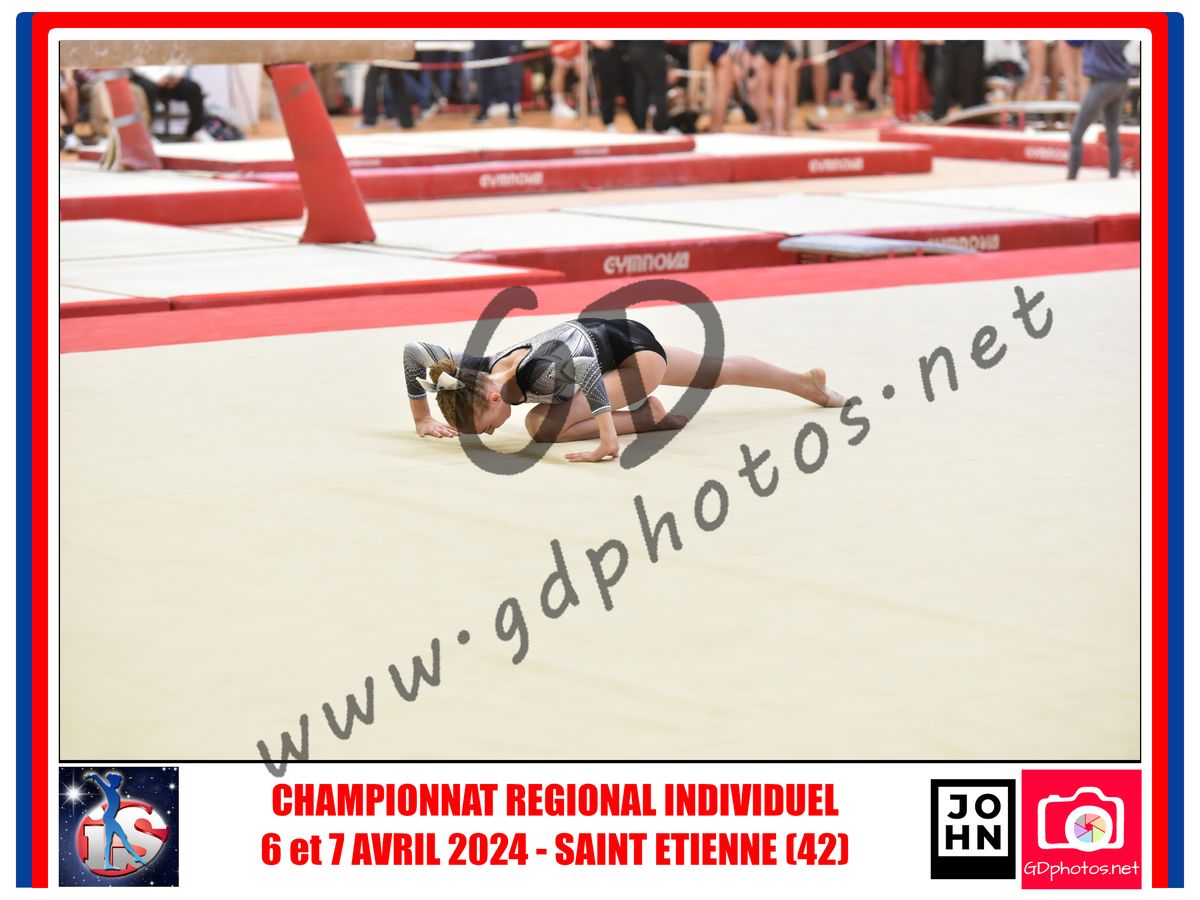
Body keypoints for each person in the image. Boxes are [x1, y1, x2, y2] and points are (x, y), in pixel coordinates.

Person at [404, 317, 845, 463]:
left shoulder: (539, 375)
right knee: (718, 371)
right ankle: (806, 384)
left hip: (631, 363)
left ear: (493, 398)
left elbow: (586, 371)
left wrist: (608, 440)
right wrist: (423, 417)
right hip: (619, 334)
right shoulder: (477, 369)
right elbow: (413, 351)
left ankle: (644, 417)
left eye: (485, 426)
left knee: (540, 423)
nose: (491, 433)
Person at [1067, 40, 1131, 180]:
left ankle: (1071, 177)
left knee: (1076, 134)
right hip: (1120, 82)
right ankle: (1114, 176)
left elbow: (1073, 41)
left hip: (1102, 82)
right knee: (1113, 133)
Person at [83, 772, 149, 870]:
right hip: (109, 818)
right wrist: (93, 776)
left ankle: (108, 864)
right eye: (118, 781)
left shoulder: (113, 792)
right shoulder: (109, 790)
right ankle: (135, 856)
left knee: (110, 841)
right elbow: (100, 781)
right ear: (114, 782)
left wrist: (94, 777)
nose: (119, 783)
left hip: (109, 818)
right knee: (122, 837)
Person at [130, 65, 206, 140]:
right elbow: (138, 67)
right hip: (146, 78)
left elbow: (180, 62)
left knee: (193, 88)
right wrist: (157, 79)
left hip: (171, 79)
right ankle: (146, 132)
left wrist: (176, 76)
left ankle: (193, 130)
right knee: (150, 89)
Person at [357, 64, 414, 129]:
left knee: (371, 79)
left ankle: (369, 120)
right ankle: (406, 121)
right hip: (392, 58)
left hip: (383, 58)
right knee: (397, 81)